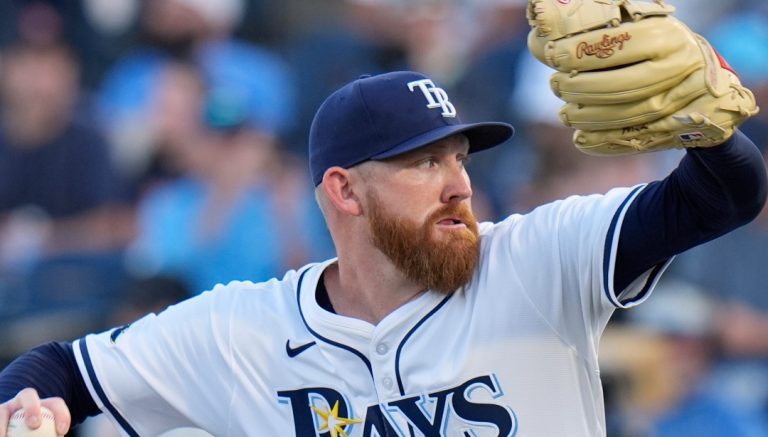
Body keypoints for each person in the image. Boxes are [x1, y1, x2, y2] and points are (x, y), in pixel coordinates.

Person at [0, 66, 765, 435]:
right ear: (344, 191)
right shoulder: (245, 330)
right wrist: (31, 407)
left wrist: (701, 121)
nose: (459, 184)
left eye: (461, 157)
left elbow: (721, 197)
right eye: (425, 163)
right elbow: (64, 367)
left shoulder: (536, 260)